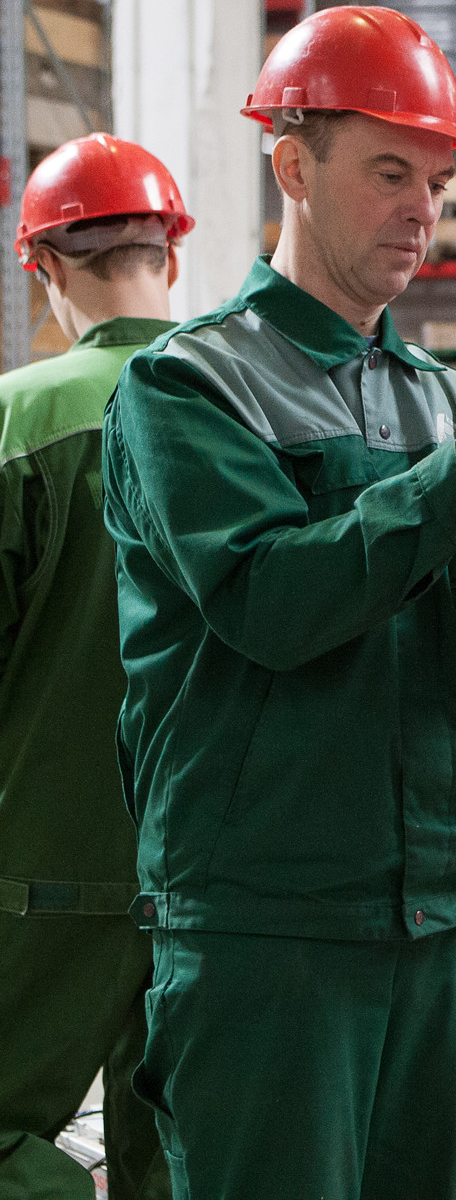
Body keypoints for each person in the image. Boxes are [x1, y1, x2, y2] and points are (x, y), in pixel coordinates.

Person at [99, 6, 456, 1200]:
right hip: (269, 923)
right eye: (389, 171)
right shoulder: (188, 387)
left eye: (437, 181)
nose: (422, 210)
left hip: (436, 915)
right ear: (292, 167)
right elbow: (271, 603)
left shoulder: (433, 394)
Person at [0, 134, 189, 1200]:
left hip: (45, 869)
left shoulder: (21, 419)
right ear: (170, 252)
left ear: (48, 269)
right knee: (183, 1154)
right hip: (216, 871)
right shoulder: (251, 408)